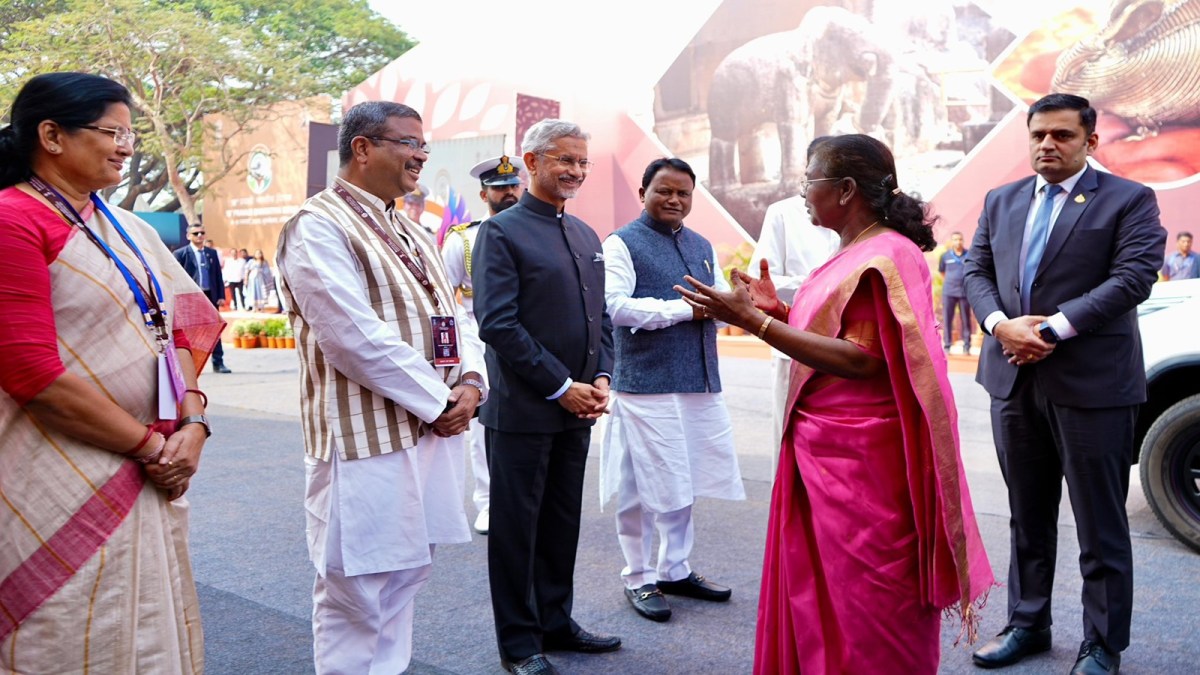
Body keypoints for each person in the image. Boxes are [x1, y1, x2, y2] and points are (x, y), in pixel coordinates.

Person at [677, 134, 993, 674]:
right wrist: (779, 309)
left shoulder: (886, 253)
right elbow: (845, 332)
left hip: (863, 469)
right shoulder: (855, 249)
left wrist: (758, 322)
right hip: (825, 453)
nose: (802, 192)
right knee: (816, 596)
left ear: (845, 190)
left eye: (809, 180)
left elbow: (864, 360)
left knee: (868, 609)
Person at [0, 71, 221, 673]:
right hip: (60, 464)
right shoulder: (12, 220)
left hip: (154, 459)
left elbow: (179, 324)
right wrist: (153, 448)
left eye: (131, 134)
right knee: (66, 630)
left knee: (144, 627)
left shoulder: (128, 227)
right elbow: (32, 375)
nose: (127, 145)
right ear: (51, 135)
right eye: (112, 132)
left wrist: (194, 425)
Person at [275, 100, 485, 675]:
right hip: (363, 437)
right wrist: (439, 399)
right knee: (356, 587)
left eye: (424, 145)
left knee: (405, 576)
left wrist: (470, 380)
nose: (421, 154)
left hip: (430, 431)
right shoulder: (317, 224)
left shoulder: (412, 231)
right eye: (408, 143)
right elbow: (350, 335)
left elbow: (456, 318)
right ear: (362, 148)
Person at [965, 94, 1165, 675]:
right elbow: (977, 272)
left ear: (1090, 142)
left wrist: (1050, 328)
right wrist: (1002, 325)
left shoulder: (1128, 199)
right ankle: (1028, 622)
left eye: (1062, 135)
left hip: (1092, 385)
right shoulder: (1000, 201)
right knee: (1027, 514)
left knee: (1100, 522)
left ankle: (1102, 643)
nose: (1048, 144)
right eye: (1038, 135)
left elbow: (1133, 277)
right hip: (1012, 376)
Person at [472, 119, 620, 675]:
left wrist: (601, 377)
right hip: (526, 411)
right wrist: (561, 386)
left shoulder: (583, 234)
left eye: (582, 162)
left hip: (578, 409)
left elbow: (599, 317)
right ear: (531, 162)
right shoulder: (501, 232)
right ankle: (519, 644)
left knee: (561, 522)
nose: (575, 171)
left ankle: (556, 622)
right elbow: (499, 325)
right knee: (516, 532)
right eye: (564, 160)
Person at [600, 157, 745, 623]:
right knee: (639, 482)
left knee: (683, 478)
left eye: (683, 193)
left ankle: (675, 569)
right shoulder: (622, 242)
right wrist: (690, 312)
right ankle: (638, 577)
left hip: (697, 381)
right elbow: (615, 307)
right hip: (645, 383)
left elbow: (721, 308)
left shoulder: (701, 244)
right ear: (644, 191)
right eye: (664, 190)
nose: (674, 200)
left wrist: (739, 305)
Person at [441, 154, 524, 535]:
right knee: (484, 428)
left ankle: (524, 499)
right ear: (484, 193)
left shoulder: (537, 231)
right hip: (482, 341)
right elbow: (444, 300)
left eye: (513, 185)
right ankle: (488, 502)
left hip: (530, 339)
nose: (508, 192)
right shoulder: (464, 240)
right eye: (499, 187)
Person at [749, 137, 840, 472]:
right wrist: (828, 289)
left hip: (853, 351)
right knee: (791, 444)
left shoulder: (868, 221)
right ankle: (788, 518)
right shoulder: (784, 213)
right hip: (794, 346)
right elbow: (761, 283)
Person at [175, 222, 232, 372]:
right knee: (189, 332)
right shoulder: (181, 254)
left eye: (202, 233)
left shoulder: (211, 253)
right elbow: (175, 278)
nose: (199, 236)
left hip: (210, 296)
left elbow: (218, 276)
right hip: (191, 298)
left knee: (214, 329)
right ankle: (189, 366)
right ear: (188, 236)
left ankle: (218, 363)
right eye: (196, 233)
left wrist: (220, 295)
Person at [939, 231, 974, 354]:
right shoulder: (945, 256)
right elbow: (942, 272)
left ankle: (967, 345)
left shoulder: (969, 255)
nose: (957, 242)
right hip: (949, 292)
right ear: (951, 241)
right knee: (947, 319)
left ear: (963, 241)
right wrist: (950, 282)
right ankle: (947, 345)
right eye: (955, 239)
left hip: (964, 293)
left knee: (966, 319)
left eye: (960, 239)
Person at [225, 246, 247, 310]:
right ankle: (235, 306)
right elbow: (226, 270)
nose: (234, 254)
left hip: (240, 279)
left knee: (241, 293)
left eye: (235, 252)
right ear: (230, 254)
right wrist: (226, 279)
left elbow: (245, 270)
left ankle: (243, 305)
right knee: (233, 293)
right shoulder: (228, 261)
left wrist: (245, 278)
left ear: (237, 253)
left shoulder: (242, 261)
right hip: (231, 279)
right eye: (232, 253)